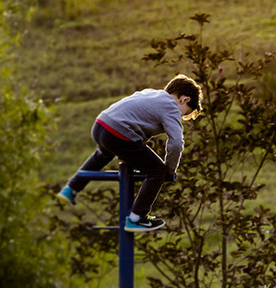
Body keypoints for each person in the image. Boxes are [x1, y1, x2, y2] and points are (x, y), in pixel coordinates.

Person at [57, 74, 202, 232]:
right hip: (118, 133)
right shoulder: (171, 107)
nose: (180, 116)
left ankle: (71, 188)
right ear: (184, 100)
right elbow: (176, 144)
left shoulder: (151, 93)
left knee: (104, 154)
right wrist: (170, 170)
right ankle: (136, 218)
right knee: (157, 170)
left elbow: (135, 118)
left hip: (101, 126)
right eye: (184, 114)